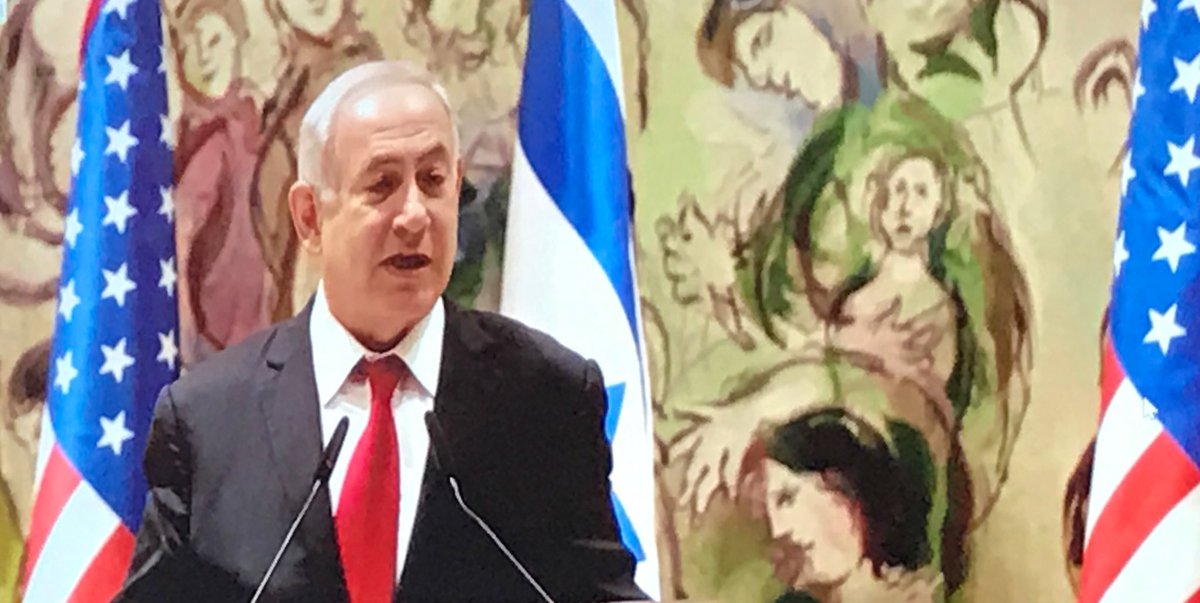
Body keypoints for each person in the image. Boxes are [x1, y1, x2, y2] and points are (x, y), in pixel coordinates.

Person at [116, 60, 645, 603]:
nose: (415, 215)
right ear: (309, 217)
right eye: (382, 184)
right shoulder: (209, 421)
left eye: (434, 182)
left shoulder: (546, 398)